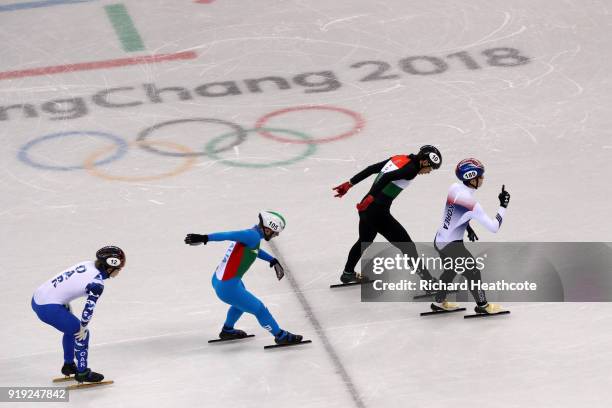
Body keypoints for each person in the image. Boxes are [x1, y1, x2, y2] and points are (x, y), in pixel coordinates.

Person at [184, 211, 303, 345]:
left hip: (220, 280)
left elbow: (254, 249)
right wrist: (205, 238)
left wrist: (272, 260)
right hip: (228, 286)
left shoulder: (253, 235)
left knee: (240, 304)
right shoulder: (251, 236)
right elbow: (229, 235)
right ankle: (281, 336)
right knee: (259, 309)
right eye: (276, 232)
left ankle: (227, 331)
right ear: (268, 229)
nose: (277, 235)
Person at [333, 145, 442, 284]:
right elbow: (388, 177)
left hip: (366, 209)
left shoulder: (399, 158)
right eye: (431, 167)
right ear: (425, 161)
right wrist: (372, 196)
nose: (429, 171)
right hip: (377, 212)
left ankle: (348, 273)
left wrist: (350, 183)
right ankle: (429, 282)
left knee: (364, 241)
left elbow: (371, 169)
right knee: (408, 246)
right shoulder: (412, 170)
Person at [32, 246, 126, 383]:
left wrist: (63, 303)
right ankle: (82, 373)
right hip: (48, 307)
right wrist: (83, 327)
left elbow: (66, 282)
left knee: (71, 329)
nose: (119, 272)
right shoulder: (97, 283)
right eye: (119, 269)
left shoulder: (87, 264)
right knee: (81, 333)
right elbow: (88, 309)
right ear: (110, 267)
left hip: (39, 297)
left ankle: (69, 365)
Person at [431, 158, 510, 315]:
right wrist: (503, 206)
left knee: (451, 270)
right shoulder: (472, 204)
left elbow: (454, 213)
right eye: (480, 176)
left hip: (439, 239)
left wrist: (468, 228)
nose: (483, 179)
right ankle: (483, 305)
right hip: (452, 245)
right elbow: (494, 227)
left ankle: (439, 301)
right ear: (472, 178)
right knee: (473, 272)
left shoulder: (454, 188)